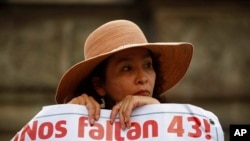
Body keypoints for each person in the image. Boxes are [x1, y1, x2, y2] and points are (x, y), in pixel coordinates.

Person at [55, 19, 193, 130]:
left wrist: (158, 114)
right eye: (127, 68)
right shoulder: (81, 128)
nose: (143, 78)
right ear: (99, 85)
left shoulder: (185, 127)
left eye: (147, 65)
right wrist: (68, 120)